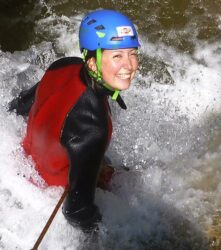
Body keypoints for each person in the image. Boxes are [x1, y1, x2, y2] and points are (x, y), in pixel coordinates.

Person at [8, 9, 140, 231]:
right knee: (136, 183)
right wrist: (101, 235)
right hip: (49, 191)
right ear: (92, 64)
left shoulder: (64, 65)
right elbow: (76, 211)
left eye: (132, 53)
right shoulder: (93, 128)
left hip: (25, 164)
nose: (130, 65)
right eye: (117, 56)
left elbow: (18, 106)